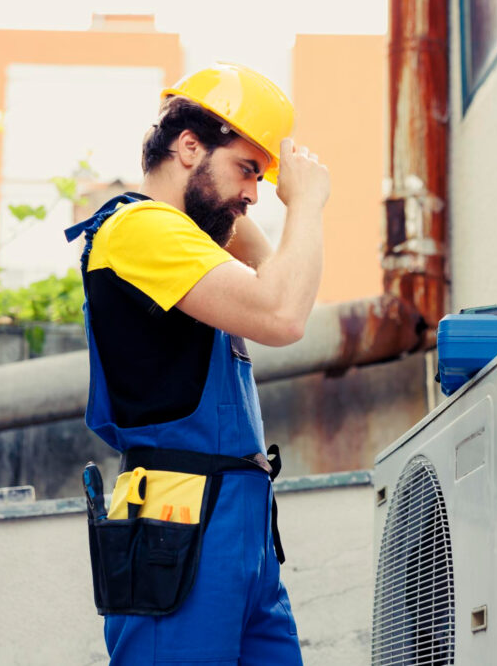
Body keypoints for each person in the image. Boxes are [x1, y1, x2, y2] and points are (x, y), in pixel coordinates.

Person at [65, 62, 329, 665]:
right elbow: (283, 313)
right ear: (189, 146)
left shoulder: (191, 243)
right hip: (176, 524)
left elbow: (284, 285)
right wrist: (307, 204)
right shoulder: (141, 229)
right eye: (247, 170)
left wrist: (229, 204)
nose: (254, 194)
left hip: (241, 523)